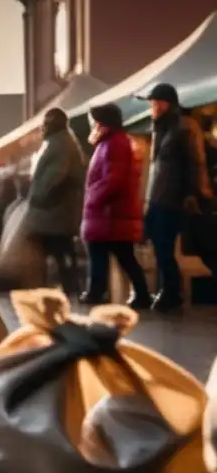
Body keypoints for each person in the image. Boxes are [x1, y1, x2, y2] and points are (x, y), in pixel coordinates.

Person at [79, 103, 150, 308]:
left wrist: (93, 198)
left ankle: (97, 292)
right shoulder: (110, 142)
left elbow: (113, 179)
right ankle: (139, 294)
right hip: (111, 213)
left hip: (109, 213)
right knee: (123, 255)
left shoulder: (113, 143)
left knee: (103, 253)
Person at [142, 83, 201, 312]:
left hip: (171, 199)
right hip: (158, 197)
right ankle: (167, 290)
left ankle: (172, 292)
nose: (153, 107)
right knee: (158, 245)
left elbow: (191, 164)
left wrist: (189, 194)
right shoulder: (160, 128)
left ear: (168, 103)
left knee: (164, 247)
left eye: (157, 102)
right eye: (152, 103)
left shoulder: (181, 127)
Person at [24, 108, 86, 295]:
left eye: (45, 123)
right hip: (58, 211)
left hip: (54, 212)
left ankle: (65, 288)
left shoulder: (59, 144)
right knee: (62, 251)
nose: (42, 127)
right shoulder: (61, 142)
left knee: (58, 251)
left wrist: (37, 197)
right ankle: (67, 287)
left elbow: (54, 176)